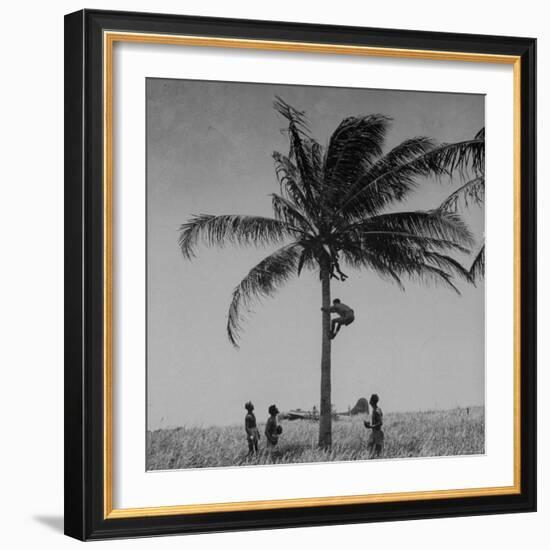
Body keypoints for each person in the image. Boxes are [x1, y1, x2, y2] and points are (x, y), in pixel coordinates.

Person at [363, 394, 384, 458]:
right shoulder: (377, 409)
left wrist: (370, 426)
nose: (369, 401)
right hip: (375, 433)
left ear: (372, 401)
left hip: (377, 434)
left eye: (370, 399)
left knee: (376, 453)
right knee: (370, 451)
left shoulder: (376, 411)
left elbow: (380, 423)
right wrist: (370, 425)